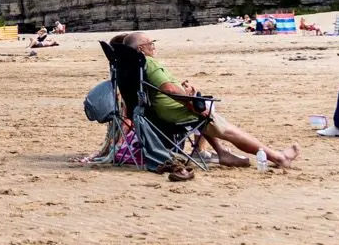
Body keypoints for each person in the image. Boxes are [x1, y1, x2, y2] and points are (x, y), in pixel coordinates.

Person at [127, 34, 299, 169]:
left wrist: (185, 92)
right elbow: (169, 90)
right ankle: (279, 158)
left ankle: (221, 152)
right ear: (141, 48)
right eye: (151, 43)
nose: (154, 46)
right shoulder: (149, 62)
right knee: (228, 130)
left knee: (207, 112)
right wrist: (190, 101)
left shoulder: (132, 65)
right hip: (175, 111)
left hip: (156, 111)